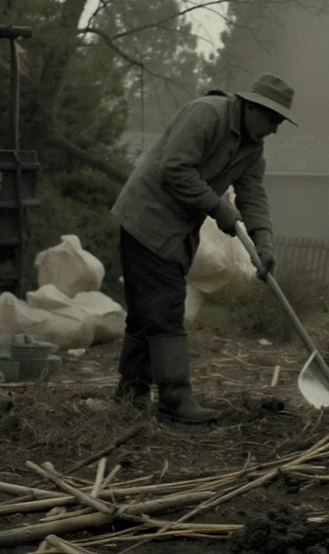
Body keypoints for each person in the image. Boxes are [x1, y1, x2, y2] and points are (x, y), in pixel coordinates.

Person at [110, 73, 296, 423]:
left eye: (279, 123)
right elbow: (174, 168)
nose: (274, 129)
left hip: (178, 231)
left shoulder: (252, 147)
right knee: (165, 308)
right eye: (272, 119)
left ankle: (131, 394)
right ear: (252, 107)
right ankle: (175, 399)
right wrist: (217, 208)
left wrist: (264, 242)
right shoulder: (206, 114)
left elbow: (253, 194)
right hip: (147, 218)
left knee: (146, 312)